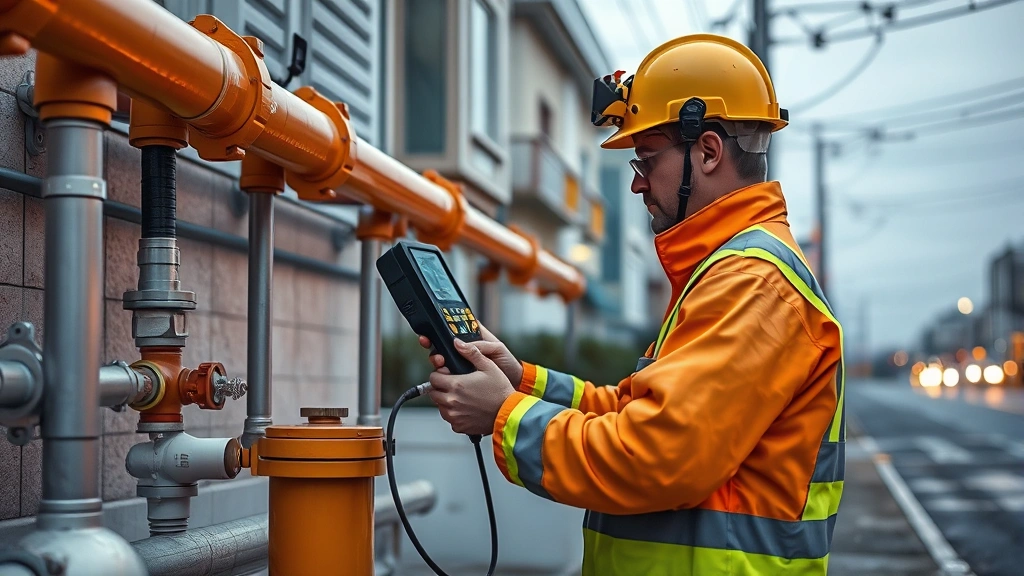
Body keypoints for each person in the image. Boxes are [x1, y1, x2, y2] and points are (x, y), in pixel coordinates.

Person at [420, 34, 844, 575]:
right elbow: (634, 413)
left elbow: (656, 455)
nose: (638, 183)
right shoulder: (724, 274)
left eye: (646, 159)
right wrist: (519, 381)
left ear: (708, 152)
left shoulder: (752, 283)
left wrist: (503, 415)